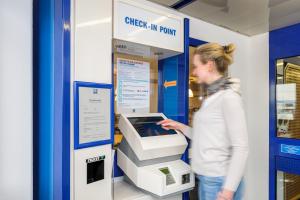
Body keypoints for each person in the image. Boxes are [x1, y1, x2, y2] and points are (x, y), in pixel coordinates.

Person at [157, 43, 249, 200]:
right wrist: (179, 126)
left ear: (210, 65)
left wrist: (228, 190)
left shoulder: (228, 97)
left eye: (196, 66)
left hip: (219, 182)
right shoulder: (213, 97)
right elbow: (206, 136)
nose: (194, 71)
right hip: (209, 180)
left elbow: (241, 147)